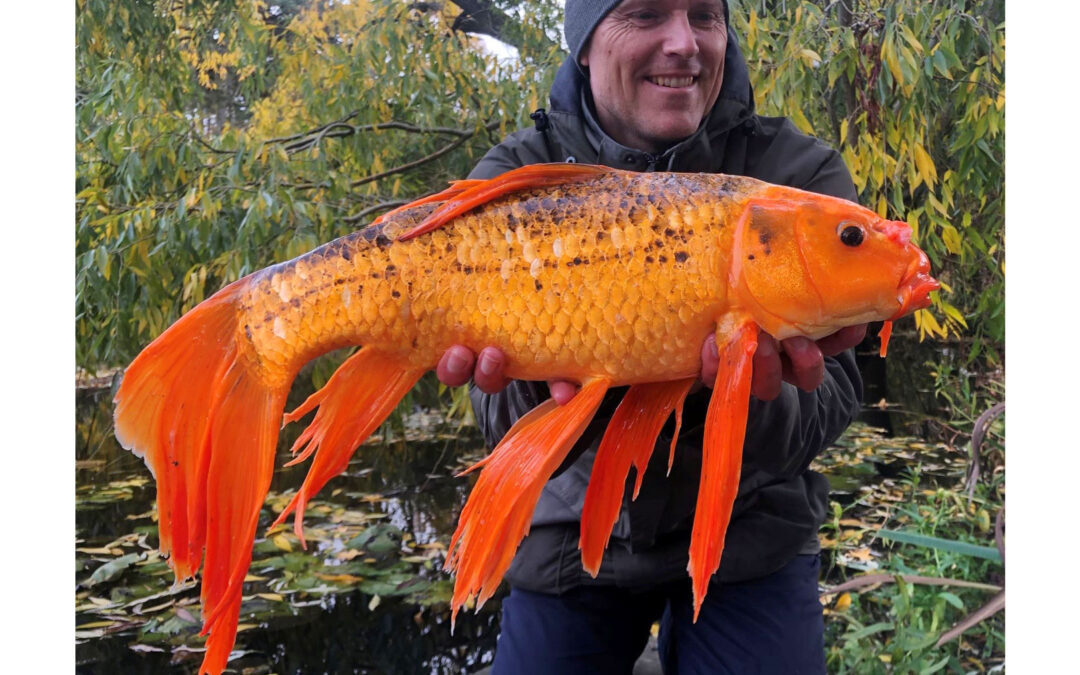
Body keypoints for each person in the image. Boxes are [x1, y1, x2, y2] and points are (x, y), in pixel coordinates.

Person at [436, 1, 867, 672]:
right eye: (645, 14)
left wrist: (729, 395)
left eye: (705, 15)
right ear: (584, 43)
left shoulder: (796, 181)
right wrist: (559, 381)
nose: (683, 42)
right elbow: (496, 420)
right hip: (572, 528)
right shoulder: (513, 184)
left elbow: (836, 396)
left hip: (750, 529)